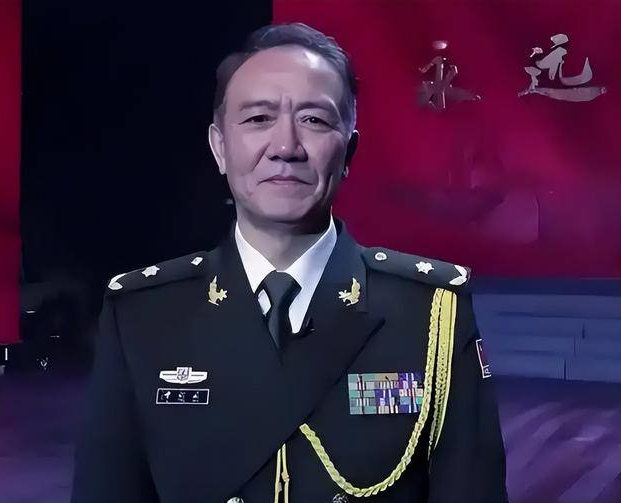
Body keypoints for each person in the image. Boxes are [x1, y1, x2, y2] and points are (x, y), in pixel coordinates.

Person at [71, 22, 508, 503]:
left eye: (314, 120)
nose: (285, 147)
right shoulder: (144, 315)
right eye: (259, 119)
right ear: (219, 147)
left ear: (349, 151)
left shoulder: (432, 315)